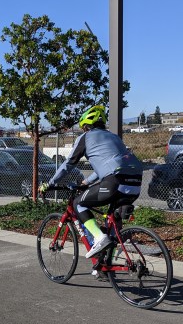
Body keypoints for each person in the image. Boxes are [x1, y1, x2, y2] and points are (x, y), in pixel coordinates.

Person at [39, 105, 143, 259]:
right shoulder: (114, 137)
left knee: (78, 204)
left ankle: (99, 238)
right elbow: (107, 166)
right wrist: (86, 182)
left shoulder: (85, 138)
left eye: (83, 128)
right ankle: (104, 265)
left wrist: (50, 182)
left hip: (115, 182)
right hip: (135, 184)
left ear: (87, 126)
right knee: (113, 222)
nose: (83, 131)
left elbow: (68, 164)